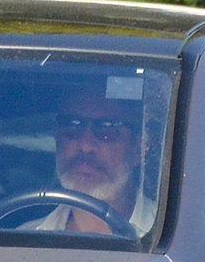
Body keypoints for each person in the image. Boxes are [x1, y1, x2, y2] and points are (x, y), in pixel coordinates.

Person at [33, 88, 144, 235]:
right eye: (72, 125)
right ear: (57, 139)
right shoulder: (21, 241)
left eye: (107, 128)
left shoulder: (180, 240)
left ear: (138, 149)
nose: (85, 146)